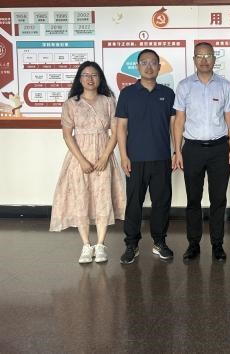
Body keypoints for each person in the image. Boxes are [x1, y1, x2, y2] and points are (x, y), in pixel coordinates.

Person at [50, 61, 126, 263]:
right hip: (79, 157)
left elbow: (115, 132)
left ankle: (100, 245)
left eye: (94, 75)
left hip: (103, 155)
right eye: (86, 75)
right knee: (81, 199)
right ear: (79, 79)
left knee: (102, 198)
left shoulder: (109, 101)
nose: (90, 79)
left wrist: (105, 157)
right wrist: (82, 160)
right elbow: (67, 135)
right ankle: (86, 245)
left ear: (100, 78)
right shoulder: (71, 104)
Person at [173, 42, 230, 262]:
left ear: (214, 59)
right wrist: (177, 151)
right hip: (192, 149)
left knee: (218, 199)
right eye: (199, 56)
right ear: (194, 60)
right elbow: (179, 120)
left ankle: (217, 244)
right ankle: (193, 244)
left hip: (219, 148)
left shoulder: (224, 86)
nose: (204, 60)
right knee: (193, 199)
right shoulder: (184, 86)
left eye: (208, 56)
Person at [116, 49, 176, 264]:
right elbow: (121, 127)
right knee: (134, 203)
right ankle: (131, 244)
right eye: (144, 62)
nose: (149, 66)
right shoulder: (127, 94)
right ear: (138, 66)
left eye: (153, 63)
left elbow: (174, 126)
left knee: (161, 202)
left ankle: (159, 242)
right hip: (135, 159)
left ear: (159, 67)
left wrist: (176, 151)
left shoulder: (168, 94)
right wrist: (124, 156)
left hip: (161, 158)